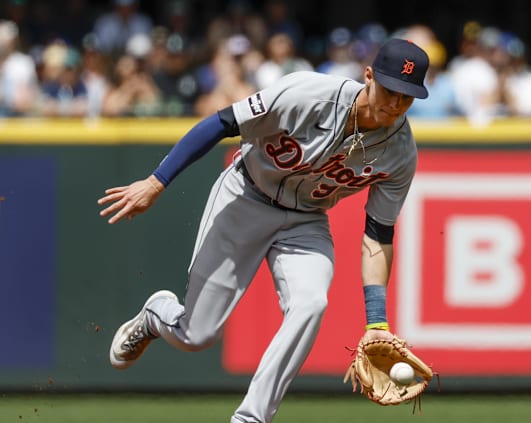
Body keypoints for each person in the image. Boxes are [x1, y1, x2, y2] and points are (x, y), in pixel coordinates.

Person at [97, 38, 429, 423]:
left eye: (407, 98)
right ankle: (156, 315)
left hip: (306, 221)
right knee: (196, 337)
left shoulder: (400, 152)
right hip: (245, 196)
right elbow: (223, 122)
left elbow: (378, 235)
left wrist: (377, 321)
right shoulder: (308, 93)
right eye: (390, 91)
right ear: (368, 76)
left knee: (311, 303)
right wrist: (157, 182)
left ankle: (251, 418)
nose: (395, 105)